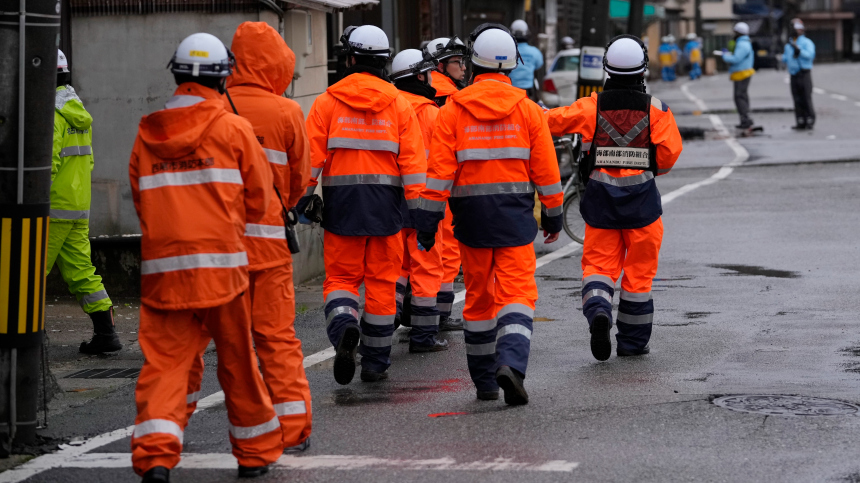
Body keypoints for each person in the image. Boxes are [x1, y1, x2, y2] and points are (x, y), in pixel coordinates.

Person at [128, 33, 282, 482]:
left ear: (176, 73)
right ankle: (253, 455)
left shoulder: (147, 131)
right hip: (223, 272)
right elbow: (259, 200)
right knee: (237, 362)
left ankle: (156, 456)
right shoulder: (231, 128)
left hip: (164, 274)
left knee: (165, 366)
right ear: (223, 78)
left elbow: (141, 200)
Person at [415, 23, 564, 406]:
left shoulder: (452, 112)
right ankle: (511, 365)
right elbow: (546, 171)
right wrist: (552, 215)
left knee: (479, 300)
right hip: (515, 221)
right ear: (512, 66)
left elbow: (439, 174)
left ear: (474, 63)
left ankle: (484, 383)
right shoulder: (529, 111)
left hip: (471, 222)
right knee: (517, 295)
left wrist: (428, 223)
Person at [182, 22, 313, 453]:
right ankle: (292, 430)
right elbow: (297, 182)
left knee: (197, 342)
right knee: (275, 338)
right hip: (270, 245)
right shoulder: (288, 112)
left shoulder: (213, 108)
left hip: (218, 248)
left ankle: (170, 426)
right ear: (279, 64)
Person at [300, 25, 427, 384]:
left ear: (351, 59)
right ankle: (375, 363)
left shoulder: (327, 102)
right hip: (388, 211)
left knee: (341, 279)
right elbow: (415, 165)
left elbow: (310, 161)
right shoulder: (400, 105)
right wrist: (419, 212)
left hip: (342, 209)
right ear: (384, 62)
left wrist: (301, 200)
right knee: (383, 285)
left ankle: (343, 327)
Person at [545, 35, 682, 361]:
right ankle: (633, 344)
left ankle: (598, 312)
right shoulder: (658, 110)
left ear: (607, 70)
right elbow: (668, 157)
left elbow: (552, 121)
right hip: (643, 208)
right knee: (639, 275)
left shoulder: (591, 107)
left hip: (601, 205)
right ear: (643, 70)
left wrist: (531, 110)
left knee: (597, 268)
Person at [49, 50, 121, 355]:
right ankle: (106, 334)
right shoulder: (76, 110)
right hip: (77, 206)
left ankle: (17, 337)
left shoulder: (48, 114)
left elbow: (44, 165)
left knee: (21, 272)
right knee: (81, 270)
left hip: (50, 209)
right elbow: (87, 162)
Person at [389, 49, 450, 352]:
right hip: (425, 201)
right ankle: (424, 336)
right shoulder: (432, 113)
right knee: (426, 265)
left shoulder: (389, 108)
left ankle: (385, 320)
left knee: (395, 265)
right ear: (418, 76)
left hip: (390, 200)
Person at [422, 37, 469, 331]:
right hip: (443, 180)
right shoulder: (450, 97)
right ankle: (439, 314)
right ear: (440, 65)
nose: (463, 68)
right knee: (447, 248)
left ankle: (415, 311)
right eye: (457, 62)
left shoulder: (421, 92)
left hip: (416, 180)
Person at [722, 22, 756, 129]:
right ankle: (745, 118)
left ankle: (745, 119)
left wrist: (725, 56)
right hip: (742, 72)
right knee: (742, 96)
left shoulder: (742, 44)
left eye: (735, 32)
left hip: (742, 73)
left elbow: (736, 59)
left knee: (740, 97)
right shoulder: (744, 42)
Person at [784, 19, 816, 130]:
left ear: (801, 30)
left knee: (806, 98)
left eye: (796, 29)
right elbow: (786, 58)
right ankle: (800, 120)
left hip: (804, 73)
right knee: (797, 99)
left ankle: (810, 119)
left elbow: (810, 55)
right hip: (793, 74)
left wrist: (799, 50)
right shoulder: (789, 44)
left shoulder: (807, 42)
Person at [424, 36, 468, 106]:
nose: (464, 67)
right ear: (440, 67)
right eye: (458, 62)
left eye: (463, 62)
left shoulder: (419, 91)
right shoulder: (452, 99)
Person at [509, 19, 544, 99]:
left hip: (510, 89)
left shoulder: (507, 51)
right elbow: (538, 65)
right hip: (527, 90)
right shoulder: (535, 52)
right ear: (527, 33)